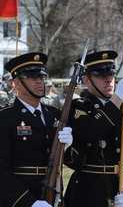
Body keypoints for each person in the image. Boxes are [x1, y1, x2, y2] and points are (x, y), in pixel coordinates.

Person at [62, 50, 123, 207]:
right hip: (89, 192)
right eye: (100, 76)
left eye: (111, 74)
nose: (108, 80)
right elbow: (91, 132)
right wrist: (117, 99)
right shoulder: (78, 108)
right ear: (87, 80)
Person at [0, 52, 74, 207]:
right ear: (17, 83)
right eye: (33, 77)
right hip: (19, 199)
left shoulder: (55, 115)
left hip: (53, 196)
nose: (40, 82)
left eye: (41, 77)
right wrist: (29, 203)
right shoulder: (5, 118)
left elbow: (76, 162)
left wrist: (68, 147)